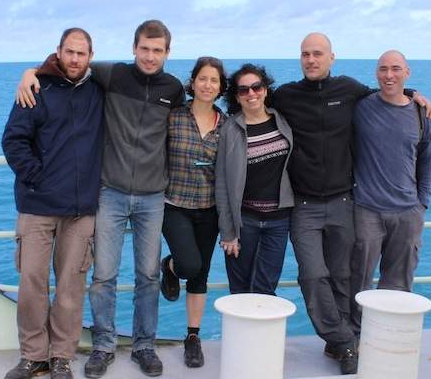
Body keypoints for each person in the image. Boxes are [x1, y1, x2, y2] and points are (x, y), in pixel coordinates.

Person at [15, 20, 185, 378]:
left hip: (153, 196)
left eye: (158, 50)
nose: (150, 56)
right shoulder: (112, 75)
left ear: (167, 53)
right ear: (133, 48)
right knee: (103, 275)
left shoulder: (174, 89)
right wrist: (29, 71)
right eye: (144, 48)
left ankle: (143, 345)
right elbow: (62, 69)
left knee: (148, 275)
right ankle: (104, 345)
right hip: (109, 192)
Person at [271, 33, 431, 375]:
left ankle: (348, 343)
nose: (311, 60)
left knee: (344, 277)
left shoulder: (350, 91)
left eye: (318, 54)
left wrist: (412, 94)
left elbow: (390, 94)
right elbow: (251, 102)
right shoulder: (285, 95)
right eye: (305, 54)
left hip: (345, 201)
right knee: (314, 275)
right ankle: (345, 339)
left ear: (332, 57)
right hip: (304, 205)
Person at [2, 27, 104, 379]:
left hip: (80, 210)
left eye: (82, 53)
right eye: (69, 52)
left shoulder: (99, 90)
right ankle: (33, 356)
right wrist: (37, 178)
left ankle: (61, 356)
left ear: (91, 56)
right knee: (31, 281)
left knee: (70, 286)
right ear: (58, 52)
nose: (75, 59)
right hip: (37, 205)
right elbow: (13, 140)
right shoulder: (36, 88)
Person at [350, 49, 431, 343]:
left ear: (407, 72)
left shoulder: (421, 114)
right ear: (376, 73)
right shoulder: (361, 107)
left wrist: (421, 204)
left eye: (396, 69)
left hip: (407, 212)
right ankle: (354, 340)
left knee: (398, 283)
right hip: (366, 209)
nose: (389, 75)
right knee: (358, 281)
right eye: (383, 69)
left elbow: (428, 160)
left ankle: (389, 339)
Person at [159, 56, 227, 368]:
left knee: (200, 275)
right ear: (193, 81)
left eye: (214, 80)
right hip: (174, 205)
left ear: (220, 87)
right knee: (189, 264)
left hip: (209, 209)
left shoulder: (226, 125)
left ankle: (192, 336)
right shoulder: (173, 117)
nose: (207, 85)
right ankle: (171, 267)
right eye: (203, 78)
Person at [215, 63, 294, 295]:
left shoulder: (282, 121)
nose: (251, 94)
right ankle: (238, 333)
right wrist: (228, 232)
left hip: (279, 221)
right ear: (237, 97)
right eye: (243, 90)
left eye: (256, 87)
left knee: (266, 288)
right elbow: (221, 184)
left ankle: (263, 333)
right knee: (239, 290)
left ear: (265, 90)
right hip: (244, 222)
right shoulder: (230, 129)